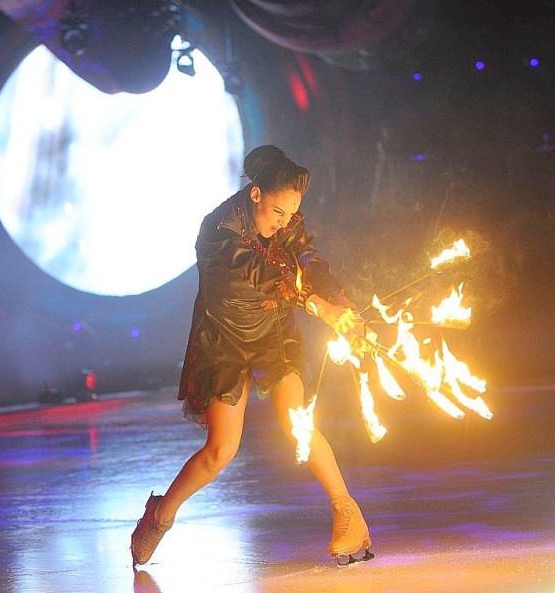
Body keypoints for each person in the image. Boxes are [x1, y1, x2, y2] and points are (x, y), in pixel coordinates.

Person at [130, 145, 373, 567]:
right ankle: (160, 515)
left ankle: (348, 514)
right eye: (278, 213)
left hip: (273, 334)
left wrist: (343, 305)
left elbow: (310, 264)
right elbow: (266, 276)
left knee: (296, 423)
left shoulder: (287, 223)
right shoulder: (217, 231)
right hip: (222, 339)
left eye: (292, 215)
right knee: (220, 451)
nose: (285, 223)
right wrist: (321, 308)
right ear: (256, 194)